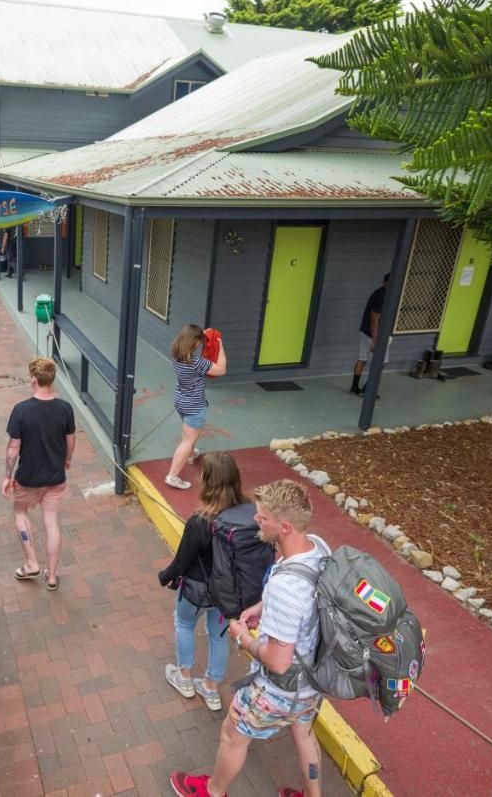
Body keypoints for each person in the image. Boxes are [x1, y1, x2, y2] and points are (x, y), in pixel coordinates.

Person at [171, 479, 330, 797]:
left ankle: (212, 792)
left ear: (284, 526)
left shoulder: (286, 588)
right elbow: (305, 602)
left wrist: (243, 637)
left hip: (279, 688)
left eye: (263, 516)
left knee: (233, 733)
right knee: (304, 733)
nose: (256, 519)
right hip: (312, 679)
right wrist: (263, 605)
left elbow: (278, 661)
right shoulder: (317, 547)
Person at [158, 452, 250, 713]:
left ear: (207, 482)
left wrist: (165, 576)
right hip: (226, 595)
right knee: (218, 637)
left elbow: (181, 563)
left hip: (196, 592)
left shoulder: (198, 522)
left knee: (184, 624)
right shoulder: (246, 519)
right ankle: (210, 688)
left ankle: (185, 677)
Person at [2, 357, 76, 590]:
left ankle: (31, 563)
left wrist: (7, 475)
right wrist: (67, 460)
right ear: (51, 380)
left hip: (28, 479)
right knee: (51, 523)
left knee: (21, 513)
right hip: (55, 479)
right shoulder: (65, 408)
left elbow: (13, 448)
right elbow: (70, 440)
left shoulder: (21, 410)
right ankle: (52, 576)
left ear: (33, 379)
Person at [165, 324, 227, 490]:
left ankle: (191, 455)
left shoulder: (176, 354)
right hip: (194, 406)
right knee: (188, 440)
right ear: (193, 343)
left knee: (188, 434)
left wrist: (204, 335)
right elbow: (221, 370)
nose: (200, 345)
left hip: (180, 401)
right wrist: (219, 346)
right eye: (199, 342)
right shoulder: (196, 362)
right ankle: (173, 475)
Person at [352, 273, 390, 396]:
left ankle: (354, 387)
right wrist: (375, 340)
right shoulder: (381, 296)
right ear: (384, 282)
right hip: (372, 334)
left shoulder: (380, 293)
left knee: (363, 358)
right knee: (381, 362)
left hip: (364, 331)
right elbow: (374, 320)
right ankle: (368, 389)